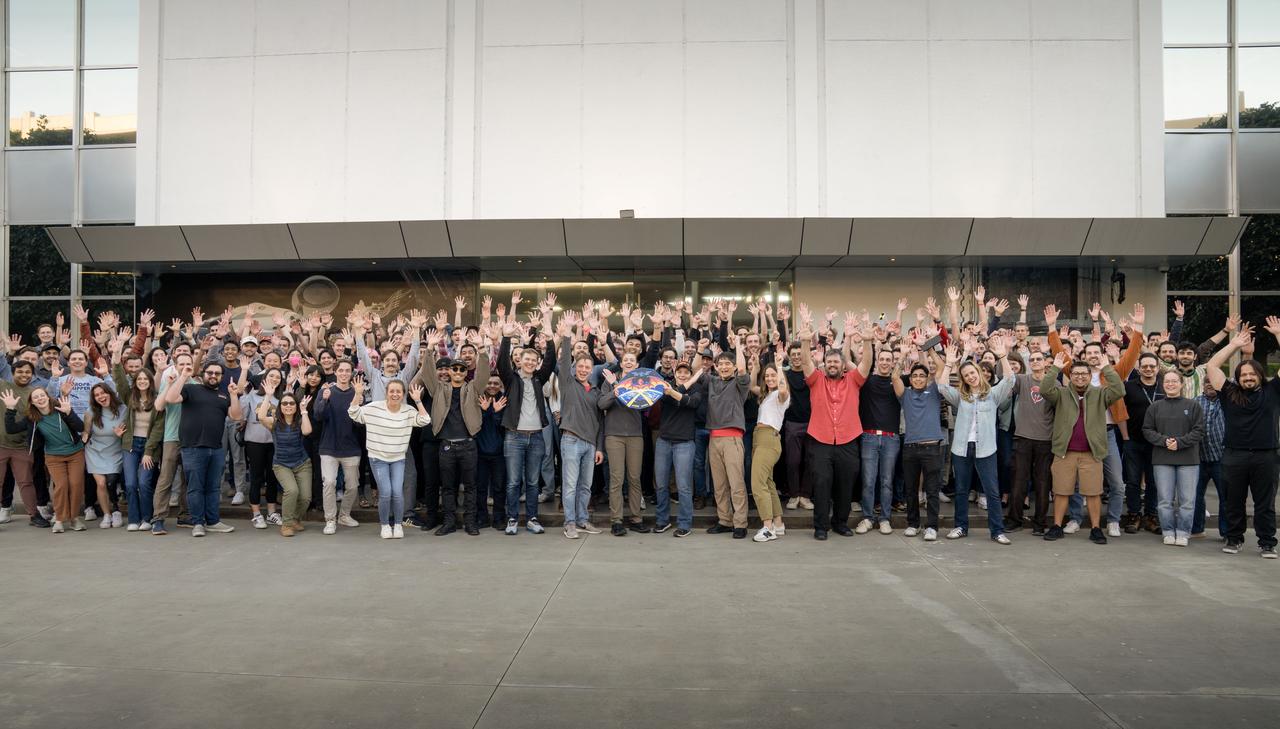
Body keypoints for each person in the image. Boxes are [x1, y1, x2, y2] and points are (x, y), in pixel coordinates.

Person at [795, 308, 870, 540]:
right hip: (821, 441)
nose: (833, 364)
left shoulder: (854, 380)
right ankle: (820, 526)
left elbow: (866, 363)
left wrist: (867, 341)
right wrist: (806, 340)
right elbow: (806, 362)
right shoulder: (816, 380)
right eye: (829, 361)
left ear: (843, 364)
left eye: (837, 361)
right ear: (825, 364)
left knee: (845, 485)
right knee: (822, 484)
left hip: (848, 440)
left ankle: (840, 523)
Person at [1206, 323, 1280, 558]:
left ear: (1259, 376)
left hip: (1266, 456)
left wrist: (1278, 334)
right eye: (1243, 375)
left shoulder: (1273, 392)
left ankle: (1267, 543)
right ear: (1238, 378)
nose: (1248, 377)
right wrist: (1235, 344)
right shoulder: (1229, 393)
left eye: (1251, 374)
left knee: (1265, 503)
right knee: (1233, 502)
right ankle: (1234, 538)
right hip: (1234, 455)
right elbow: (1212, 366)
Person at [935, 336, 1016, 544]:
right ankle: (961, 526)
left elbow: (1010, 380)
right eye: (966, 375)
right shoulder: (961, 397)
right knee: (961, 490)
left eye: (972, 373)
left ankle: (997, 530)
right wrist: (950, 365)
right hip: (962, 449)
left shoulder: (993, 395)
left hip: (986, 449)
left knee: (992, 490)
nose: (970, 377)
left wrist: (1003, 357)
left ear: (979, 373)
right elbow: (942, 387)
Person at [1039, 351, 1126, 544]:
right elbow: (1044, 390)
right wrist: (1055, 368)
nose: (1079, 376)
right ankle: (1057, 525)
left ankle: (1095, 528)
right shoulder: (1061, 393)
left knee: (1093, 492)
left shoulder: (1100, 393)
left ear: (1090, 376)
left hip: (1091, 453)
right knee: (1061, 491)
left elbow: (1119, 390)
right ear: (1071, 375)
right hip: (1065, 452)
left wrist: (1106, 368)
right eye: (1076, 373)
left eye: (1084, 374)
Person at [415, 328, 491, 536]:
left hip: (468, 445)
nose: (457, 372)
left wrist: (481, 348)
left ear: (466, 373)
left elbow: (484, 373)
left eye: (461, 370)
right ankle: (448, 522)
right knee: (447, 487)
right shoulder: (439, 388)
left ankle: (470, 522)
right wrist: (430, 348)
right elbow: (428, 373)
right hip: (446, 445)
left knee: (470, 486)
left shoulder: (473, 388)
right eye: (454, 369)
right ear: (449, 371)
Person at [160, 358, 242, 538]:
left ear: (221, 376)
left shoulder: (224, 394)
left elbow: (236, 416)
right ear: (203, 374)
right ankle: (197, 522)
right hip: (192, 448)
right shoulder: (191, 389)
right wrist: (183, 376)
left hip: (216, 448)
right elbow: (170, 398)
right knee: (195, 487)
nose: (213, 376)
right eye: (210, 372)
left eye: (217, 373)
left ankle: (212, 521)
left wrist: (234, 395)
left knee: (213, 487)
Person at [347, 376, 431, 539]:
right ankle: (385, 525)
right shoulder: (374, 408)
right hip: (378, 458)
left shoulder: (408, 411)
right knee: (386, 492)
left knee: (397, 492)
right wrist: (357, 394)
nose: (395, 394)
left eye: (398, 391)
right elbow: (353, 413)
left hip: (399, 458)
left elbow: (425, 420)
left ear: (403, 394)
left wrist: (418, 401)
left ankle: (398, 525)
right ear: (386, 393)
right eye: (392, 391)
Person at [2, 386, 85, 533]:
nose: (40, 398)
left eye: (42, 395)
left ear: (47, 397)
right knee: (61, 485)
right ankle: (59, 519)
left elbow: (80, 426)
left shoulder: (61, 409)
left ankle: (74, 519)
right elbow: (11, 429)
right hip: (53, 456)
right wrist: (10, 409)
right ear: (32, 402)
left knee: (76, 484)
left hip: (75, 453)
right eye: (36, 397)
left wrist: (70, 413)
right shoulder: (32, 418)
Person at [554, 317, 605, 539]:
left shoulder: (595, 391)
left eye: (588, 367)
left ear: (592, 370)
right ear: (575, 368)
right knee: (571, 485)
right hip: (571, 440)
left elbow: (599, 422)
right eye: (581, 366)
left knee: (586, 486)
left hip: (590, 443)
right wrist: (567, 335)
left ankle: (583, 520)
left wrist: (599, 447)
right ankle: (570, 523)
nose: (584, 369)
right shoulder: (567, 382)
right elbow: (564, 361)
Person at [1142, 370, 1204, 546]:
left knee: (1187, 500)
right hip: (1162, 459)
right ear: (1163, 385)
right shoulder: (1155, 407)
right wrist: (1163, 441)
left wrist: (1180, 442)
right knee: (1164, 500)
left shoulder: (1193, 406)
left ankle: (1184, 532)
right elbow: (1147, 430)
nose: (1170, 384)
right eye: (1167, 381)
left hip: (1188, 460)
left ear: (1181, 384)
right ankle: (1168, 531)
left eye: (1174, 381)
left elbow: (1198, 431)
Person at [894, 349, 946, 541]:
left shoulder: (934, 391)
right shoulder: (905, 395)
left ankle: (931, 526)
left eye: (921, 376)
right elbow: (894, 376)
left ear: (926, 378)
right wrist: (903, 355)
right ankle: (913, 524)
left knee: (932, 490)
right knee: (911, 490)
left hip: (931, 448)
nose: (917, 379)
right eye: (914, 376)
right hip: (910, 449)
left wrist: (929, 349)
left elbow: (940, 367)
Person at [703, 337, 752, 539]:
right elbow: (698, 369)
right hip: (714, 439)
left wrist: (738, 346)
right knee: (719, 484)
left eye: (727, 364)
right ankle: (725, 520)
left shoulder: (740, 383)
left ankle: (740, 523)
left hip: (732, 439)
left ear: (733, 367)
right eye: (720, 363)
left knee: (736, 483)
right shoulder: (712, 381)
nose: (724, 367)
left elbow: (742, 369)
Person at [598, 353, 649, 536]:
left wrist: (615, 385)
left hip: (635, 435)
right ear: (621, 363)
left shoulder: (640, 383)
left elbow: (640, 405)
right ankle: (616, 520)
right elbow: (602, 403)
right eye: (625, 359)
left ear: (636, 366)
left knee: (634, 478)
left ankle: (636, 518)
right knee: (617, 478)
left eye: (632, 360)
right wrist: (613, 387)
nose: (628, 362)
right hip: (614, 435)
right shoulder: (608, 381)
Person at [312, 360, 363, 535]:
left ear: (352, 373)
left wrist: (358, 401)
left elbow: (360, 424)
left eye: (347, 371)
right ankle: (330, 520)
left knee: (352, 485)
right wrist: (324, 400)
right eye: (340, 370)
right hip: (329, 448)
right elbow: (318, 416)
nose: (344, 373)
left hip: (351, 448)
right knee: (330, 483)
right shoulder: (325, 391)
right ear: (335, 372)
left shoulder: (357, 393)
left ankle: (345, 515)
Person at [1009, 345, 1055, 536]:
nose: (1035, 362)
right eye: (1032, 359)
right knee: (1019, 482)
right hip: (1023, 438)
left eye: (1039, 359)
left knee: (1043, 483)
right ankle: (1014, 520)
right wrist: (1004, 353)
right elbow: (1006, 379)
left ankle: (1040, 523)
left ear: (1045, 363)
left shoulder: (1055, 384)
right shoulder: (1022, 380)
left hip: (1045, 440)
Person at [0, 360, 50, 527]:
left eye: (28, 372)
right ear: (13, 372)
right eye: (20, 371)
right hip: (1, 444)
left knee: (26, 482)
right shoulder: (3, 386)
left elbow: (46, 408)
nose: (24, 375)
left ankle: (34, 515)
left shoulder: (33, 393)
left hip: (22, 446)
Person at [257, 391, 312, 537]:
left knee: (306, 497)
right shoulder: (274, 422)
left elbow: (307, 431)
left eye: (292, 403)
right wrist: (268, 396)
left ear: (296, 406)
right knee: (292, 491)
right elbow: (261, 416)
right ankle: (286, 524)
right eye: (285, 403)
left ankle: (295, 519)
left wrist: (304, 410)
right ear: (280, 406)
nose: (288, 406)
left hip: (302, 463)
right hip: (281, 464)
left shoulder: (300, 420)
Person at [115, 365, 162, 532]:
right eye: (139, 379)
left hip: (149, 447)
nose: (142, 381)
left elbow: (158, 427)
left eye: (145, 379)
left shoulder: (158, 399)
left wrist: (149, 452)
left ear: (150, 382)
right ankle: (133, 519)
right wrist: (116, 360)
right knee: (130, 484)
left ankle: (147, 518)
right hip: (130, 445)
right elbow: (120, 382)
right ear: (135, 382)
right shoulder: (130, 397)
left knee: (144, 483)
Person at [748, 350, 789, 542]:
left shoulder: (782, 395)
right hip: (761, 438)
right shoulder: (767, 395)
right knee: (768, 483)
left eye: (773, 375)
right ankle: (778, 524)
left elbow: (782, 390)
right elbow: (751, 385)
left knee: (757, 484)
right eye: (768, 376)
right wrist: (755, 367)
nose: (770, 378)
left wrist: (779, 366)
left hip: (768, 439)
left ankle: (767, 527)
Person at [1121, 353, 1163, 533]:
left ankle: (1151, 515)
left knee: (1154, 481)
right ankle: (1133, 514)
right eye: (1144, 366)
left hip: (1157, 443)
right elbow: (1120, 412)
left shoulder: (1164, 387)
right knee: (1132, 481)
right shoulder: (1129, 387)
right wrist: (1125, 437)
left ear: (1158, 368)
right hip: (1133, 441)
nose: (1148, 369)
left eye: (1152, 366)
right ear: (1138, 368)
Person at [239, 367, 283, 529]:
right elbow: (241, 415)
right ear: (264, 377)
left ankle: (272, 512)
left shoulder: (281, 397)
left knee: (272, 478)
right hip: (254, 442)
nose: (274, 378)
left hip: (274, 443)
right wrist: (243, 393)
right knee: (256, 478)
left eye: (278, 377)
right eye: (271, 375)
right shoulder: (251, 396)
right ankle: (256, 514)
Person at [83, 383, 126, 529]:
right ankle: (107, 514)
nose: (101, 396)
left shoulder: (123, 409)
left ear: (110, 393)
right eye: (97, 395)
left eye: (103, 393)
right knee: (101, 483)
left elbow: (129, 433)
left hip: (115, 450)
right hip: (95, 451)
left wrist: (121, 436)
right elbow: (86, 433)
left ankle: (116, 510)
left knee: (112, 482)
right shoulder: (90, 412)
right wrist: (82, 436)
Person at [1192, 377, 1225, 539]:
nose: (1211, 384)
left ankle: (1227, 532)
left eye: (1214, 382)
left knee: (1226, 496)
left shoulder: (1228, 401)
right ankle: (1197, 529)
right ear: (1203, 385)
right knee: (1195, 495)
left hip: (1223, 458)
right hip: (1199, 457)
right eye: (1207, 382)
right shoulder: (1194, 402)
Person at [781, 342, 813, 510]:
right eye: (793, 354)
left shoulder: (811, 373)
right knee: (793, 461)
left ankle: (806, 496)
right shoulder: (785, 374)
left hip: (812, 423)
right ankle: (794, 495)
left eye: (799, 353)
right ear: (789, 356)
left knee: (809, 461)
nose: (796, 357)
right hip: (792, 423)